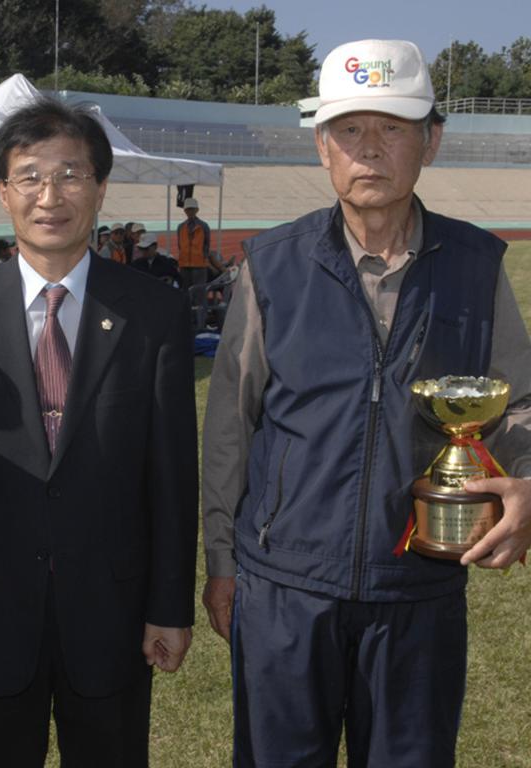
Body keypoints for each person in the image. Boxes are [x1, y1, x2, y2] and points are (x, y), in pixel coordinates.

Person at [201, 39, 531, 767]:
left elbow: (517, 406)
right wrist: (221, 560)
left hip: (418, 587)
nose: (370, 150)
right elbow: (231, 424)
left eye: (394, 129)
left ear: (432, 142)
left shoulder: (476, 267)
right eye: (350, 131)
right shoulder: (271, 264)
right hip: (284, 588)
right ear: (323, 147)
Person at [0, 98, 198, 768]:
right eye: (30, 176)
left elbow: (171, 475)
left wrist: (168, 607)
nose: (51, 195)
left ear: (99, 188)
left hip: (113, 611)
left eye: (71, 175)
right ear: (4, 191)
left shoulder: (154, 312)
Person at [174, 198, 214, 288]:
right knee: (185, 291)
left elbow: (206, 245)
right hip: (184, 265)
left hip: (199, 265)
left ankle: (199, 303)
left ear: (197, 210)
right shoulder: (180, 227)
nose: (189, 211)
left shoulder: (204, 226)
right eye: (188, 209)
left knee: (199, 292)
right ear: (184, 211)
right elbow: (180, 245)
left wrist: (203, 257)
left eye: (192, 209)